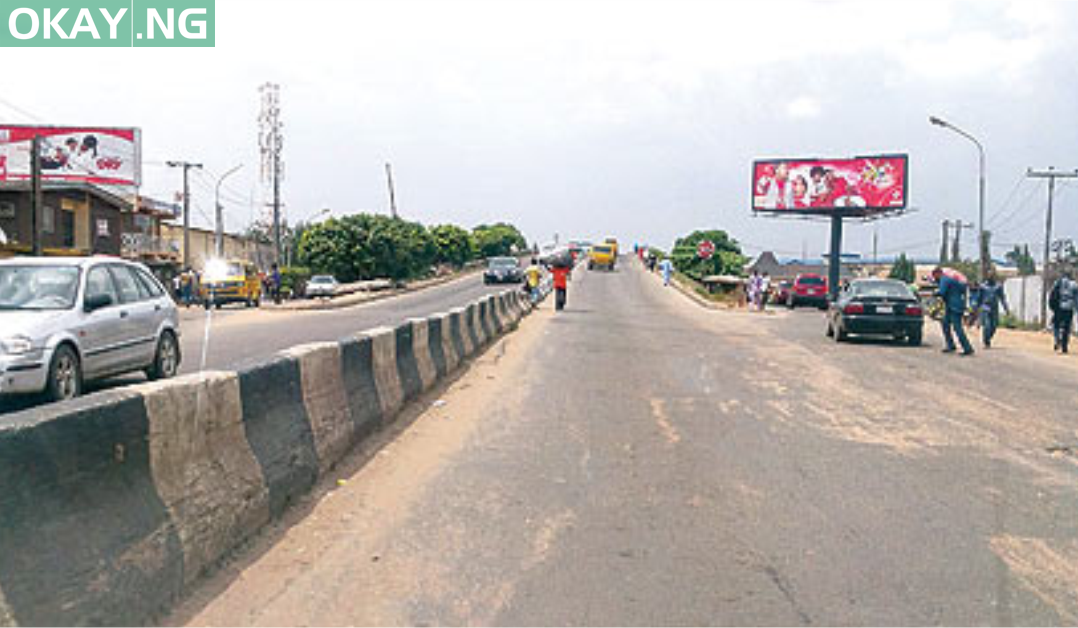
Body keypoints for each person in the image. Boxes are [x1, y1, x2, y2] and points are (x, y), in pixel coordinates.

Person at [932, 266, 974, 356]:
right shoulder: (949, 280)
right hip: (954, 305)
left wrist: (935, 292)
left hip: (954, 306)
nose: (935, 278)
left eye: (935, 276)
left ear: (938, 273)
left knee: (957, 327)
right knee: (945, 324)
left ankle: (967, 348)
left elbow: (942, 292)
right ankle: (950, 345)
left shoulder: (944, 279)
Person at [976, 273, 1009, 348]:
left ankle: (988, 338)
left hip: (994, 308)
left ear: (994, 277)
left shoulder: (998, 286)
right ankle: (986, 341)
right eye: (989, 276)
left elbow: (1002, 298)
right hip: (985, 307)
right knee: (987, 325)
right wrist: (976, 309)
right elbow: (979, 299)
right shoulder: (983, 286)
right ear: (987, 277)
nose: (990, 277)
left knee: (994, 326)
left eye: (992, 276)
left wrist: (1006, 308)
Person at [1049, 272, 1078, 353]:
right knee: (1067, 328)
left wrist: (1052, 307)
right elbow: (1076, 299)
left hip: (1059, 308)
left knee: (1056, 326)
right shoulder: (1074, 285)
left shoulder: (1058, 282)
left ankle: (1057, 340)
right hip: (1069, 309)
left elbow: (1052, 295)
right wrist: (1076, 309)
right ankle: (1064, 346)